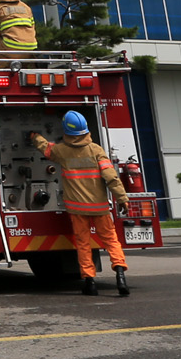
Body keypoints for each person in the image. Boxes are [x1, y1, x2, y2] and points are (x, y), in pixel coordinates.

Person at [29, 111, 132, 295]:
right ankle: (120, 277)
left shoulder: (62, 151)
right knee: (111, 241)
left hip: (77, 209)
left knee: (83, 244)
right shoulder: (96, 150)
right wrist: (122, 198)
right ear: (86, 129)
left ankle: (90, 283)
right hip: (99, 207)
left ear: (67, 130)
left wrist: (35, 136)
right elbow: (111, 177)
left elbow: (46, 148)